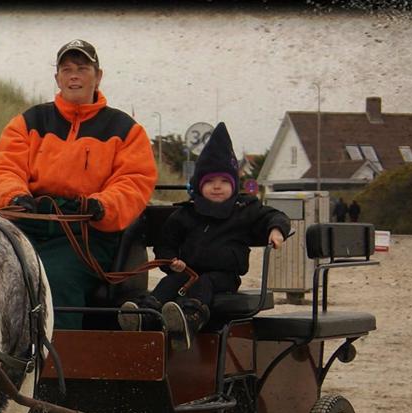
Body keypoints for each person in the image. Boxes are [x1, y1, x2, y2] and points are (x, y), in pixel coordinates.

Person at [0, 39, 157, 329]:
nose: (74, 76)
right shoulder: (28, 121)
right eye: (66, 69)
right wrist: (14, 196)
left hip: (86, 233)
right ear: (57, 78)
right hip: (30, 221)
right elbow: (5, 167)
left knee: (54, 277)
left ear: (98, 77)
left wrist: (100, 205)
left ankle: (57, 353)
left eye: (82, 68)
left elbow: (134, 181)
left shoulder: (126, 130)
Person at [117, 122, 290, 350]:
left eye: (224, 182)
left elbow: (274, 216)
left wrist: (276, 230)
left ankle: (188, 321)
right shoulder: (186, 213)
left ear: (234, 185)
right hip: (188, 271)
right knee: (169, 283)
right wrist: (171, 262)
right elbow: (166, 242)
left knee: (204, 283)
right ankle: (146, 315)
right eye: (209, 182)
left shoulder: (244, 209)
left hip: (224, 276)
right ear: (199, 185)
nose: (217, 187)